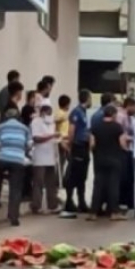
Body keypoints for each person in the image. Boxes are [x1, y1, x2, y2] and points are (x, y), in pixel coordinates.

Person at [88, 104, 129, 221]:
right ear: (113, 114)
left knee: (98, 186)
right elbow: (122, 144)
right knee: (113, 186)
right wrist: (125, 150)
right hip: (114, 159)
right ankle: (114, 212)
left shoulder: (95, 126)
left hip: (99, 160)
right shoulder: (117, 127)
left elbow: (92, 144)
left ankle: (93, 212)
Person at [0, 108, 31, 226]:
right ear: (18, 117)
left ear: (6, 117)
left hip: (3, 157)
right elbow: (29, 144)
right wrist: (22, 151)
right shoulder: (25, 128)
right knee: (16, 188)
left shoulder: (1, 127)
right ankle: (13, 216)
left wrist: (1, 150)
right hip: (18, 160)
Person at [60, 90, 92, 218]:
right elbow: (72, 129)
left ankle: (82, 202)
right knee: (73, 175)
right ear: (87, 99)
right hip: (78, 146)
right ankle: (69, 201)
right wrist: (70, 144)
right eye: (90, 98)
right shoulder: (76, 112)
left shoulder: (85, 113)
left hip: (84, 147)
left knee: (82, 177)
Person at [30, 104, 61, 214]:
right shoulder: (36, 122)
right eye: (48, 113)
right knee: (39, 182)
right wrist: (52, 136)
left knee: (51, 183)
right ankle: (36, 206)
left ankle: (52, 205)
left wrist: (57, 138)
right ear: (43, 113)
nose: (49, 116)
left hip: (50, 156)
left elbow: (53, 136)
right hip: (40, 156)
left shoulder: (51, 124)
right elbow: (36, 138)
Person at [118, 97, 135, 211]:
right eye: (134, 107)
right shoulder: (121, 117)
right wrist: (132, 138)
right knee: (124, 177)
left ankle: (128, 201)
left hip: (127, 149)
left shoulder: (128, 117)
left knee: (129, 177)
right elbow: (120, 134)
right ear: (129, 105)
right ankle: (123, 200)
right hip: (122, 150)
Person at [20, 104, 36, 201]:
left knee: (26, 174)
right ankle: (26, 193)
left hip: (24, 152)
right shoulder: (27, 126)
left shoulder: (24, 124)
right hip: (25, 153)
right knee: (27, 174)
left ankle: (26, 192)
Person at [55, 94, 71, 176]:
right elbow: (55, 121)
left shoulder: (64, 113)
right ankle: (59, 179)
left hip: (65, 139)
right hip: (62, 139)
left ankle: (61, 178)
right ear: (67, 104)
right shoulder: (61, 113)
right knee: (62, 161)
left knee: (64, 160)